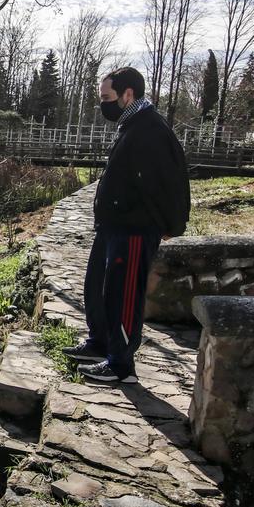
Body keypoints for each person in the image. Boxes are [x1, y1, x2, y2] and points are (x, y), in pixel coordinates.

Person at [62, 67, 190, 383]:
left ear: (127, 94)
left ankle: (121, 365)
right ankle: (100, 343)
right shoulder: (131, 125)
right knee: (98, 287)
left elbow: (170, 184)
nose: (103, 104)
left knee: (123, 294)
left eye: (107, 98)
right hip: (113, 226)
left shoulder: (151, 130)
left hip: (133, 229)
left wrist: (166, 224)